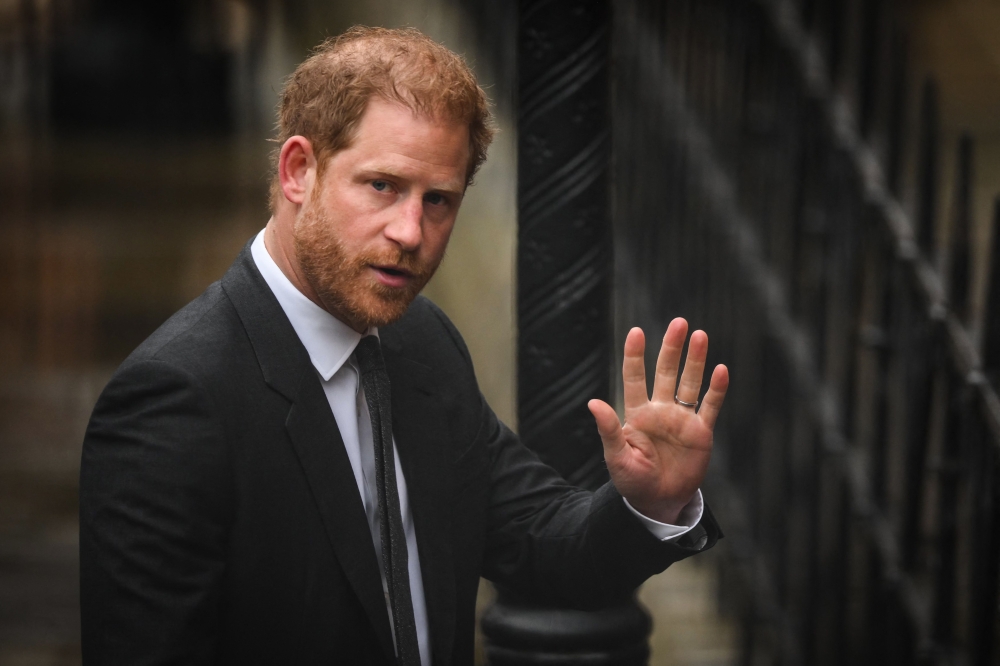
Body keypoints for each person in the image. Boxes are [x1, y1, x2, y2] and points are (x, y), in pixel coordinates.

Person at [79, 26, 729, 666]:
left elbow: (542, 547)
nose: (411, 230)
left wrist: (648, 504)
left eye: (439, 200)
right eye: (383, 185)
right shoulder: (175, 399)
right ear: (299, 170)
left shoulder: (421, 342)